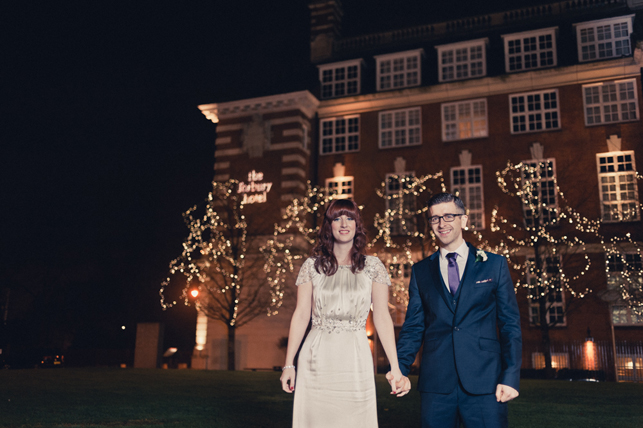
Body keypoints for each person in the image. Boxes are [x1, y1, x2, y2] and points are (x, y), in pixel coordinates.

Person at [387, 192, 522, 428]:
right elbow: (413, 327)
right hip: (436, 384)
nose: (442, 223)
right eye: (435, 218)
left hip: (486, 382)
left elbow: (509, 324)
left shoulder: (494, 264)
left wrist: (510, 377)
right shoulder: (421, 271)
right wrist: (400, 368)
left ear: (464, 220)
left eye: (449, 216)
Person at [280, 198, 405, 428]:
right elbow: (300, 315)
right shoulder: (312, 266)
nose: (344, 223)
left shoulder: (374, 266)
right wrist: (289, 364)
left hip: (355, 358)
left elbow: (382, 317)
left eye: (350, 218)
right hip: (316, 358)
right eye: (337, 218)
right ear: (329, 225)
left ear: (357, 225)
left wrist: (395, 366)